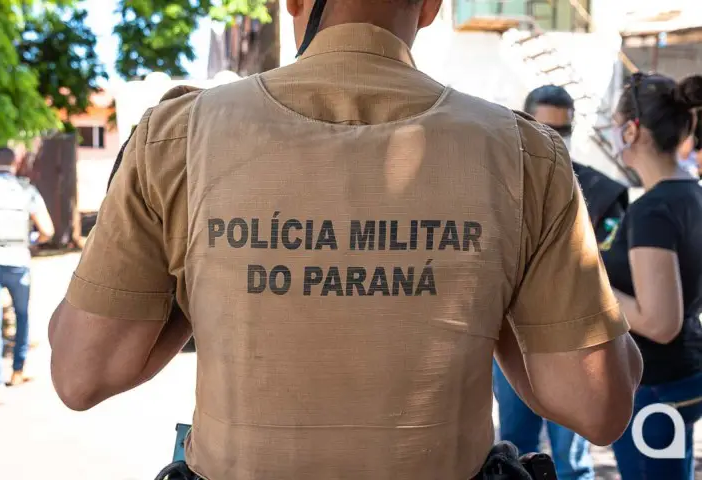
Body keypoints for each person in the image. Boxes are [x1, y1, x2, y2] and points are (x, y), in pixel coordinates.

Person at [48, 1, 642, 478]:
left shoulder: (178, 139)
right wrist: (496, 283)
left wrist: (194, 267)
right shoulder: (525, 155)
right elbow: (598, 405)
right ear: (431, 6)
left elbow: (81, 372)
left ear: (292, 2)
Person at [492, 84, 629, 480]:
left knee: (573, 458)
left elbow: (610, 267)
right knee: (513, 454)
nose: (555, 139)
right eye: (545, 129)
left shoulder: (602, 191)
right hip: (515, 338)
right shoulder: (497, 187)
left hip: (577, 339)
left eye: (563, 130)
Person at [600, 72, 702, 479]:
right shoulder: (691, 193)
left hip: (655, 386)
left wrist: (591, 284)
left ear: (633, 130)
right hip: (678, 377)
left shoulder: (653, 210)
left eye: (615, 123)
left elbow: (660, 323)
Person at [0, 147, 54, 404]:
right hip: (18, 260)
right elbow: (48, 230)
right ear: (15, 163)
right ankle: (17, 371)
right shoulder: (26, 190)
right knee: (22, 315)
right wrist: (31, 240)